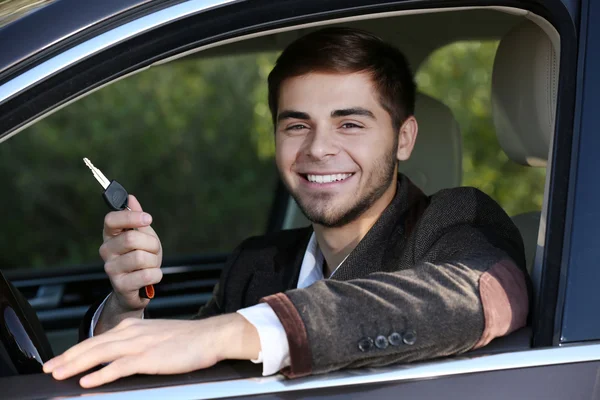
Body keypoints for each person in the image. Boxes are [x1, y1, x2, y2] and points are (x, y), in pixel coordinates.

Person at [43, 27, 530, 388]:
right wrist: (127, 310)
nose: (318, 149)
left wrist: (236, 331)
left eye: (350, 125)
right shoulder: (256, 263)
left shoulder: (453, 220)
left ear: (403, 139)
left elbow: (482, 292)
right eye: (297, 125)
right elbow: (179, 366)